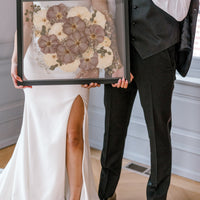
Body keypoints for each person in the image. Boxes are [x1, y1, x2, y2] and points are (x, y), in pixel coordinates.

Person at [0, 0, 115, 199]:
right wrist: (15, 60)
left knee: (74, 136)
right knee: (42, 135)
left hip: (77, 63)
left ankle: (75, 197)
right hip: (39, 64)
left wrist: (96, 62)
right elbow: (26, 21)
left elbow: (103, 17)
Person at [98, 0, 199, 200]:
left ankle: (157, 196)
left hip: (158, 52)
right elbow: (106, 7)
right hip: (119, 54)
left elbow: (180, 12)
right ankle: (105, 193)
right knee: (113, 128)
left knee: (158, 130)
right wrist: (112, 55)